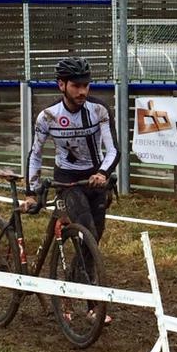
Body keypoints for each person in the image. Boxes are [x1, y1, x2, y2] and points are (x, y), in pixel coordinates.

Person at [24, 56, 118, 242]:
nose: (82, 91)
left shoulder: (99, 110)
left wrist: (102, 173)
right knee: (86, 230)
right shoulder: (48, 116)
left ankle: (82, 270)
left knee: (94, 239)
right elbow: (35, 154)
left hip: (94, 176)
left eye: (86, 85)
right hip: (66, 179)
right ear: (61, 85)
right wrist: (31, 193)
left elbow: (114, 150)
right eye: (76, 86)